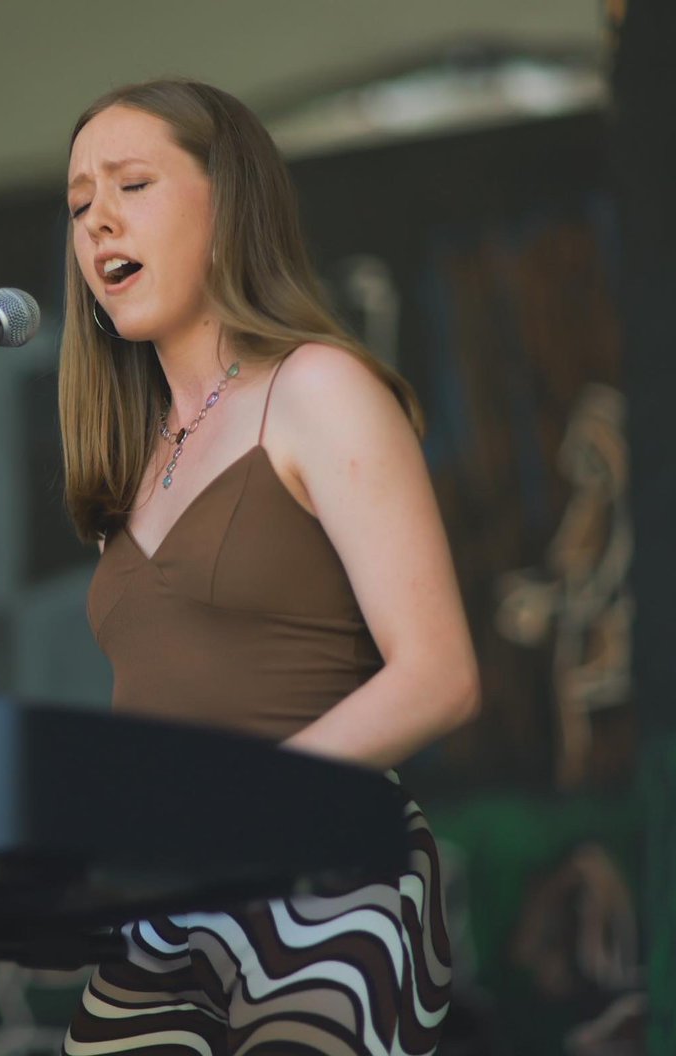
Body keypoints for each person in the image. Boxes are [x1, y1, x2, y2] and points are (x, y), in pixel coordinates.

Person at [57, 78, 480, 1056]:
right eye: (79, 205)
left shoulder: (317, 388)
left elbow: (439, 675)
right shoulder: (133, 461)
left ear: (228, 202)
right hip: (165, 901)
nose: (98, 221)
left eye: (131, 184)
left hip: (322, 877)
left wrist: (235, 809)